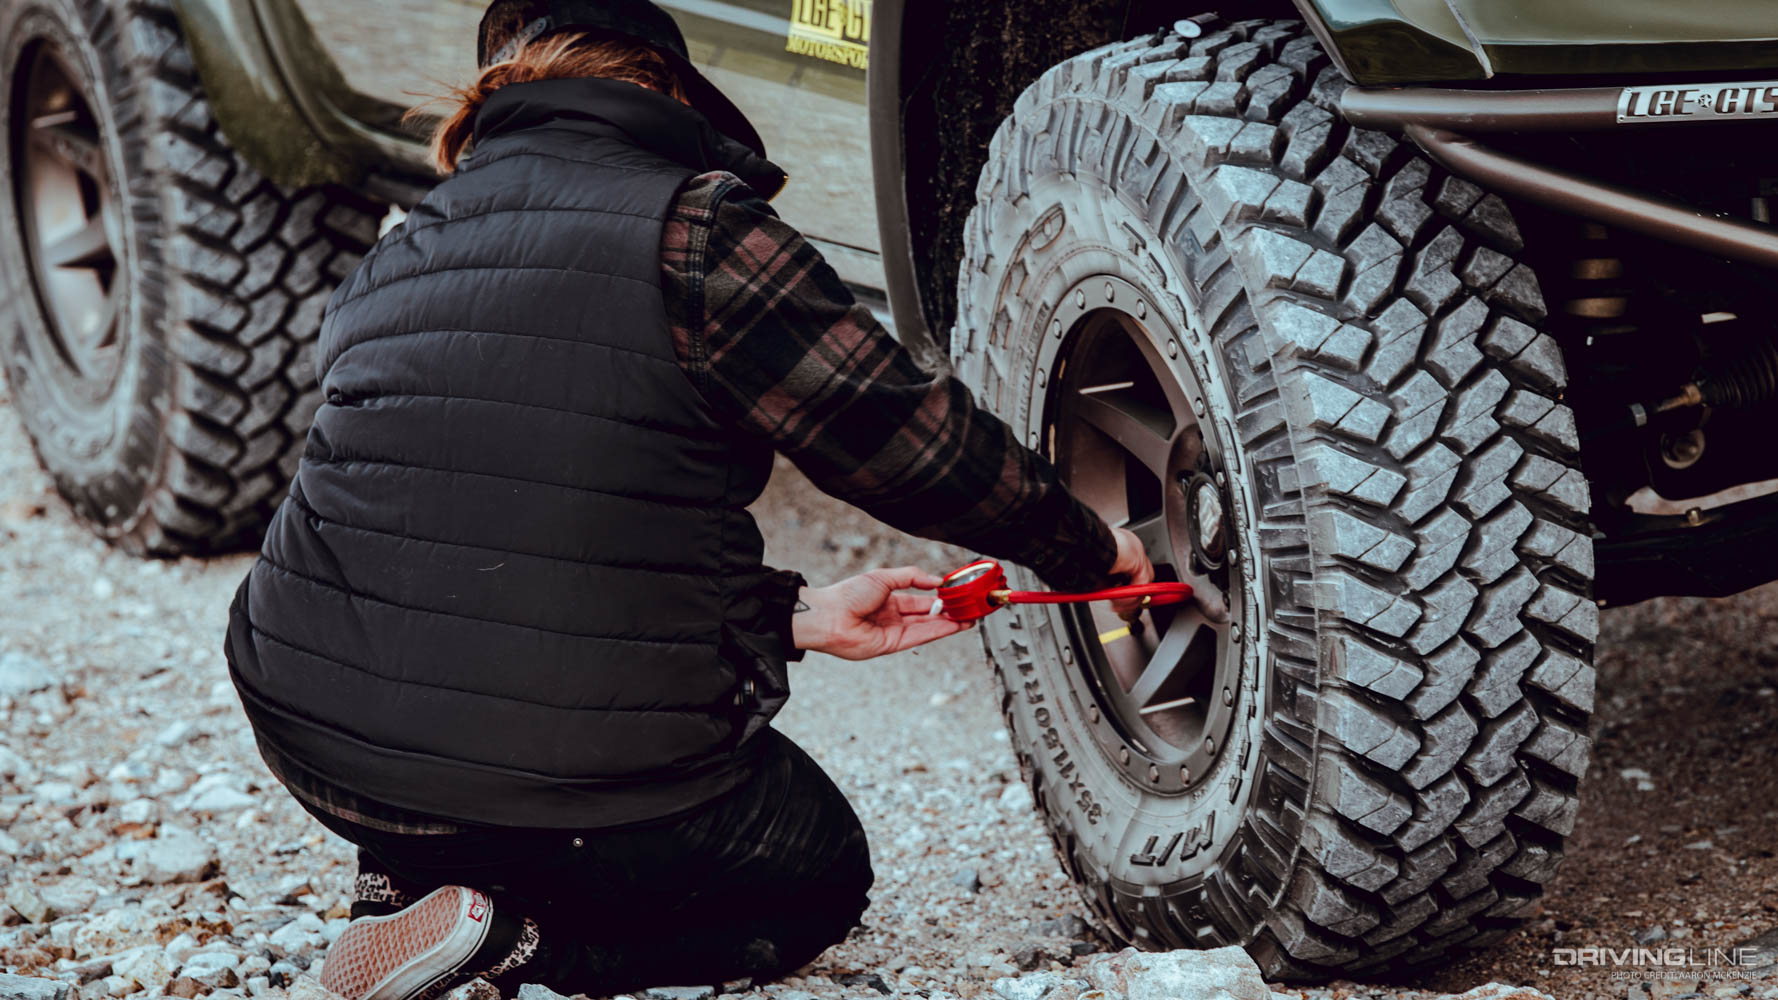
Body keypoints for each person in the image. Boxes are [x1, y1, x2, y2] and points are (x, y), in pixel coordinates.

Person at [221, 2, 1152, 998]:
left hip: (309, 731)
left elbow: (515, 516)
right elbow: (904, 439)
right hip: (518, 763)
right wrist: (1087, 551)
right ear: (663, 91)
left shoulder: (403, 246)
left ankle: (408, 879)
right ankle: (512, 944)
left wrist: (790, 618)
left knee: (474, 729)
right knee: (811, 872)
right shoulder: (697, 230)